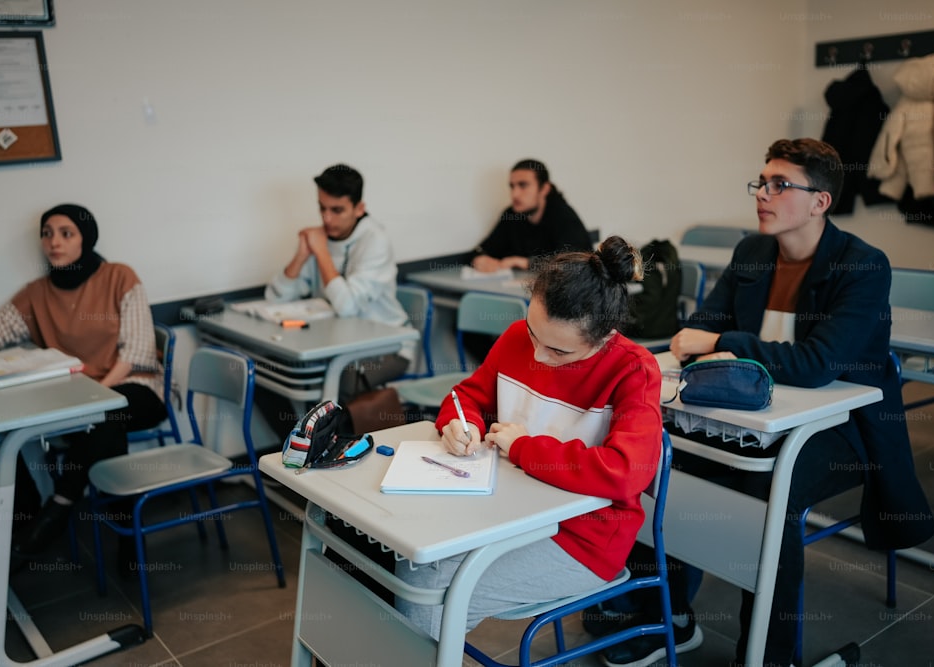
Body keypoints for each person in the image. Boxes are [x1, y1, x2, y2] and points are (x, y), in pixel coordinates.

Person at [598, 138, 934, 667]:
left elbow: (817, 364)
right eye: (762, 182)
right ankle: (667, 615)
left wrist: (720, 344)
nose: (763, 194)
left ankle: (767, 655)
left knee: (764, 494)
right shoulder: (752, 252)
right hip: (752, 413)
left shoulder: (863, 265)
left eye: (780, 185)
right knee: (660, 462)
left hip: (839, 426)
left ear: (820, 201)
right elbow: (703, 325)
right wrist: (704, 341)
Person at [395, 236, 664, 640]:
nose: (538, 356)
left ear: (605, 337)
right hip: (507, 508)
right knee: (410, 557)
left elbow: (628, 471)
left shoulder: (634, 371)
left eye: (559, 352)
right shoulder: (518, 338)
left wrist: (523, 448)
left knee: (431, 591)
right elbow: (466, 395)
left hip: (584, 538)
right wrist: (459, 422)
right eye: (534, 334)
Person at [0, 204, 167, 560]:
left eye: (66, 233)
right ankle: (127, 538)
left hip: (135, 386)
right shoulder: (37, 292)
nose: (54, 242)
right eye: (47, 233)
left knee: (107, 418)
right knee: (103, 429)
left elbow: (134, 353)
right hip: (77, 398)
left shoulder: (119, 277)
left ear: (86, 238)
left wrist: (99, 397)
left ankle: (57, 509)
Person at [257, 164, 414, 435]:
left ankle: (321, 453)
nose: (327, 219)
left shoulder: (375, 241)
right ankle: (296, 453)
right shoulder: (322, 238)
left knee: (333, 380)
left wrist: (321, 253)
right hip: (334, 345)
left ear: (359, 208)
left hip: (388, 347)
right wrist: (302, 255)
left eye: (337, 210)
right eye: (322, 208)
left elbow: (347, 306)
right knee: (265, 373)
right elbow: (274, 298)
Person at [470, 158, 592, 272]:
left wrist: (527, 263)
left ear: (544, 189)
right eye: (512, 186)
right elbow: (483, 250)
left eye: (523, 185)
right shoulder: (512, 214)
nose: (515, 194)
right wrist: (479, 259)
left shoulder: (564, 216)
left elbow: (576, 261)